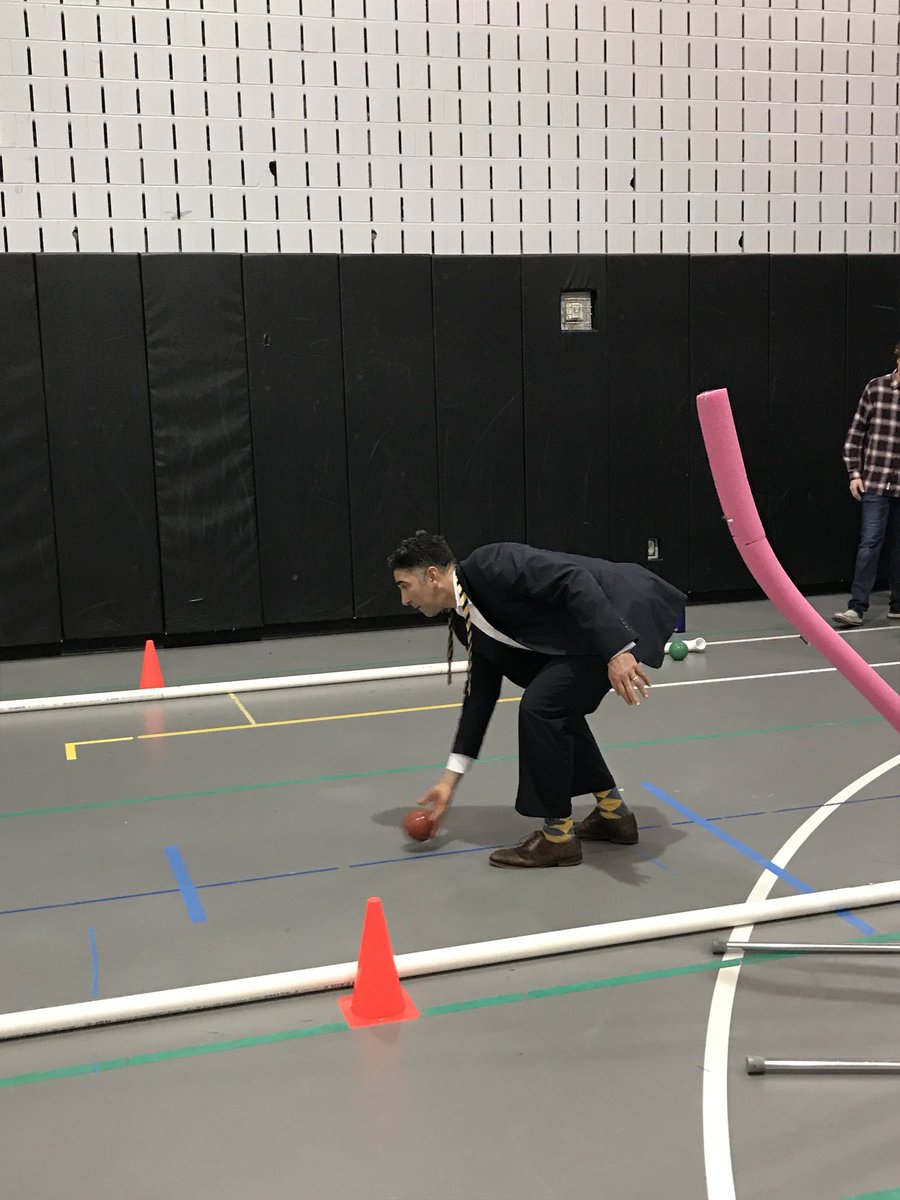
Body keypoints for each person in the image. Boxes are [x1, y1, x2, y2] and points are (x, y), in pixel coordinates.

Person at [388, 532, 686, 869]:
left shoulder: (492, 564)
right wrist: (449, 781)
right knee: (555, 708)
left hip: (620, 611)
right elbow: (480, 697)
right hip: (585, 635)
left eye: (403, 586)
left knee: (541, 707)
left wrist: (617, 649)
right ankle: (614, 815)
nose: (404, 600)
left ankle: (558, 837)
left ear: (431, 576)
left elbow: (574, 579)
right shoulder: (465, 622)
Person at [833, 342, 900, 627]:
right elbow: (855, 434)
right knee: (870, 543)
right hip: (875, 480)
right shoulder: (876, 388)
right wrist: (854, 474)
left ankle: (897, 606)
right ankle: (856, 608)